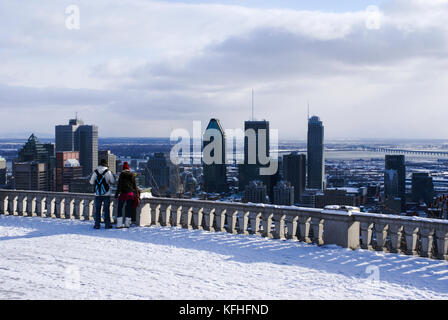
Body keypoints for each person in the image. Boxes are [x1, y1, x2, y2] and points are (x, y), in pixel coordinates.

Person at [90, 159, 116, 229]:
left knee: (97, 209)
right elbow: (112, 181)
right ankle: (107, 224)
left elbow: (91, 182)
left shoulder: (95, 172)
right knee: (106, 209)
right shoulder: (108, 172)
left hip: (97, 194)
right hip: (106, 194)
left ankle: (97, 224)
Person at [115, 161, 138, 228]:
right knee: (128, 208)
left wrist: (116, 194)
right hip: (130, 194)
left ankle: (119, 224)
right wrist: (136, 194)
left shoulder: (121, 175)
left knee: (120, 208)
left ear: (123, 168)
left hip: (123, 194)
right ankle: (127, 223)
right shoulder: (132, 175)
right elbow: (135, 186)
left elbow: (119, 186)